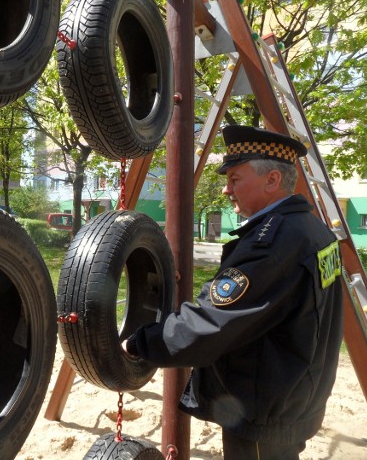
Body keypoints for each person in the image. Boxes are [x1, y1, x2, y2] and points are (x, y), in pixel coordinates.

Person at [122, 125, 344, 459]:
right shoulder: (313, 231)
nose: (226, 190)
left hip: (262, 407)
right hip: (294, 395)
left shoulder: (273, 244)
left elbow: (212, 322)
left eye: (235, 179)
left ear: (271, 180)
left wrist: (141, 342)